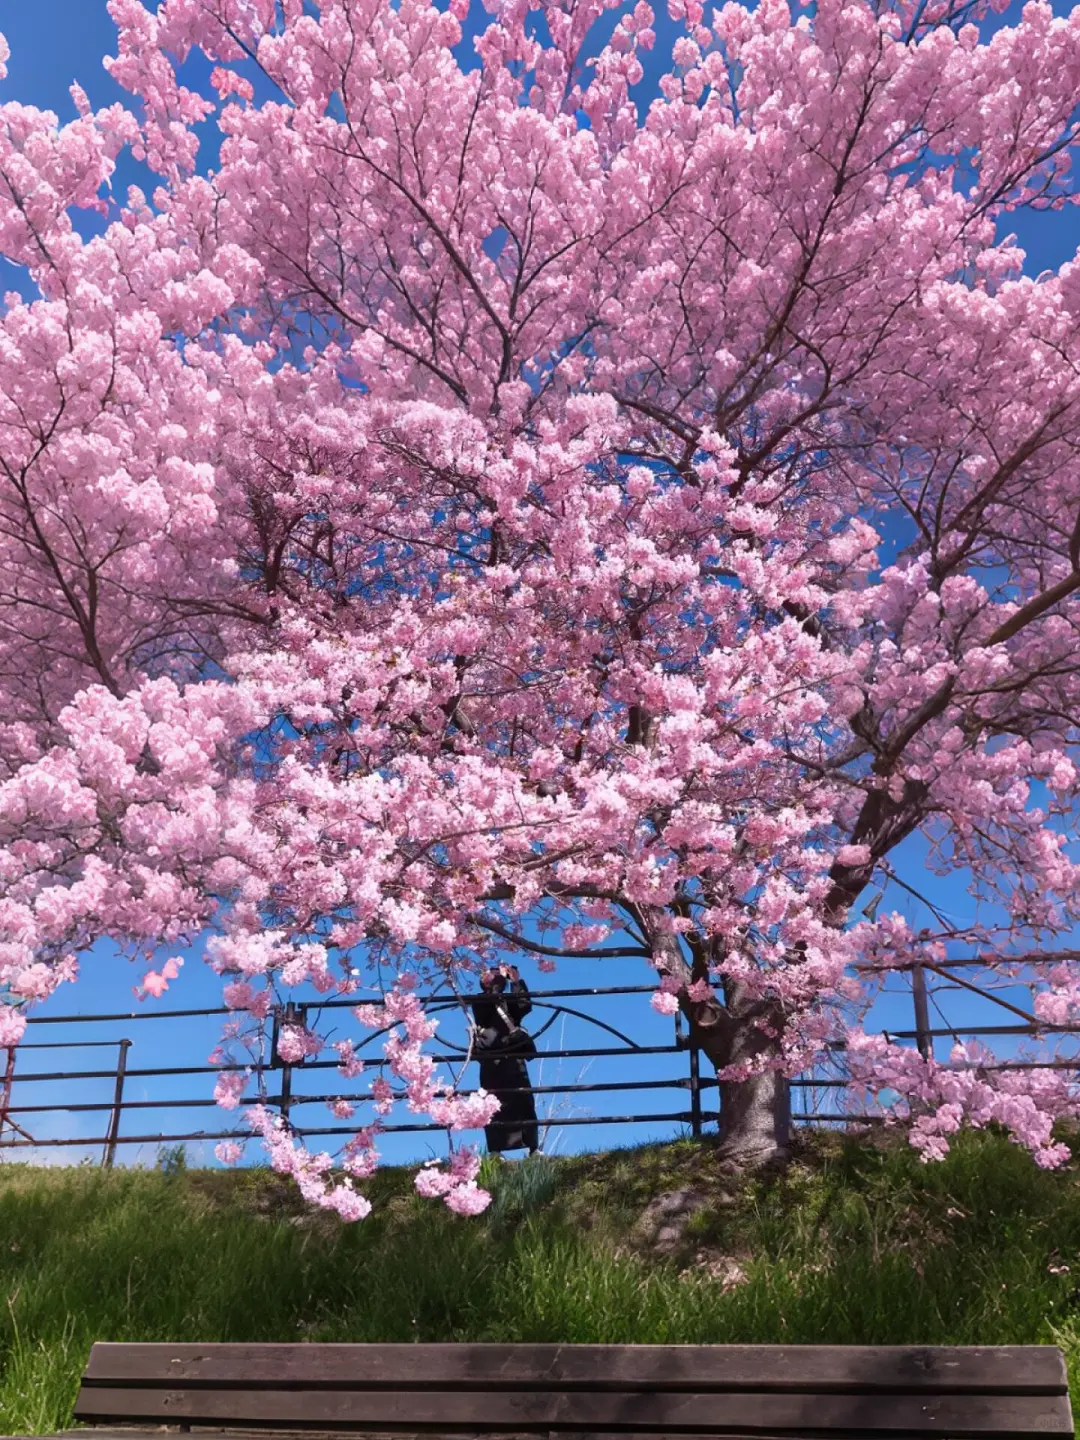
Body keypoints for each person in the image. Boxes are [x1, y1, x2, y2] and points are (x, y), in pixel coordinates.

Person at [471, 964, 539, 1156]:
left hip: (513, 1054)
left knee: (524, 1100)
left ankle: (533, 1147)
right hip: (492, 1056)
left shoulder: (507, 1001)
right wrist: (499, 981)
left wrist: (516, 982)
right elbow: (488, 1003)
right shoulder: (479, 1000)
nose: (497, 977)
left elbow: (524, 1007)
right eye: (492, 974)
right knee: (493, 1103)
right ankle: (496, 1151)